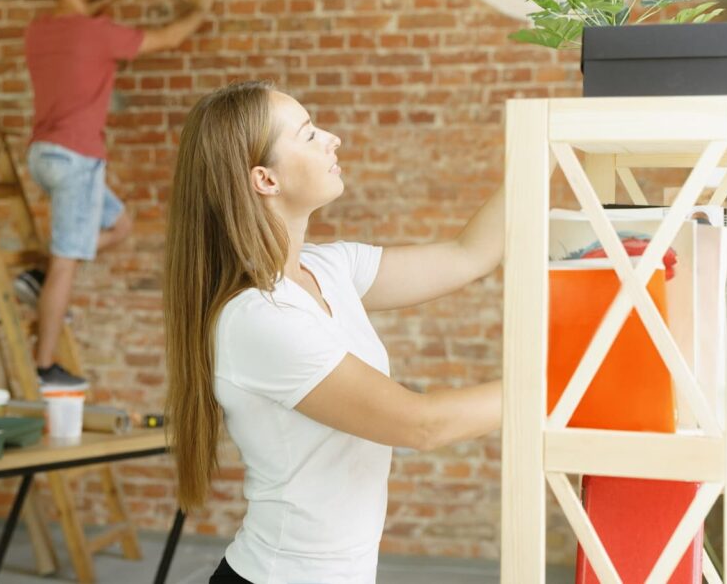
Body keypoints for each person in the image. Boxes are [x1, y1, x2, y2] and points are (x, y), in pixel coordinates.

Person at [163, 81, 504, 583]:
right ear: (265, 179)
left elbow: (468, 256)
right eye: (308, 135)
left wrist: (547, 150)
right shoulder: (260, 318)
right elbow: (420, 424)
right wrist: (569, 386)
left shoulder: (330, 268)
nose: (333, 138)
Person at [19, 0, 214, 390]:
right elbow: (168, 37)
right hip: (76, 159)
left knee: (120, 225)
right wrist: (200, 7)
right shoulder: (97, 34)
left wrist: (99, 1)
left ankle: (41, 277)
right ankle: (45, 367)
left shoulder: (40, 31)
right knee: (68, 262)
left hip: (44, 157)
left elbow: (76, 30)